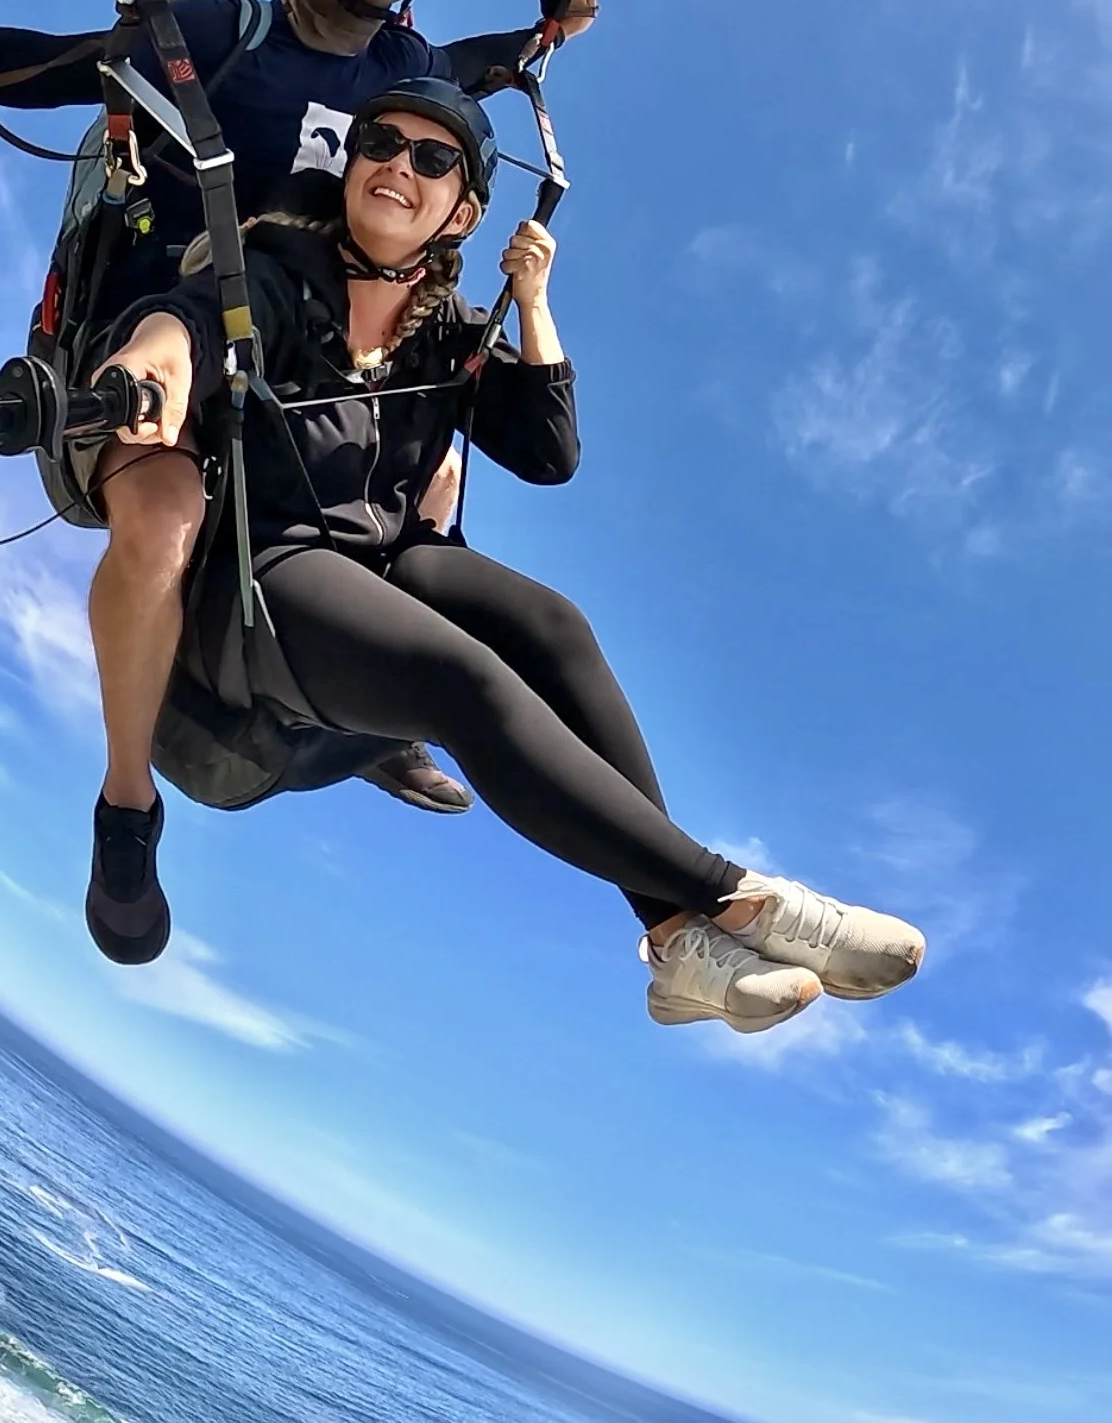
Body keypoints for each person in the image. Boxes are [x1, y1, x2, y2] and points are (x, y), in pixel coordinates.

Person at [94, 76, 926, 1030]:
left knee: (551, 626)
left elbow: (549, 452)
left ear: (465, 211)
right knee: (470, 680)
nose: (399, 166)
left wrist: (532, 301)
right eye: (380, 143)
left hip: (377, 569)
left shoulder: (445, 336)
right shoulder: (276, 272)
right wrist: (150, 361)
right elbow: (191, 323)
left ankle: (679, 945)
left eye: (433, 159)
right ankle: (739, 898)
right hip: (257, 583)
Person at [0, 0, 596, 818]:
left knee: (426, 472)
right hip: (167, 343)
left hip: (296, 363)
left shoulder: (405, 81)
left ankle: (380, 722)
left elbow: (484, 67)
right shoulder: (226, 33)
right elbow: (61, 67)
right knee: (161, 527)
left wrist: (548, 26)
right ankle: (126, 801)